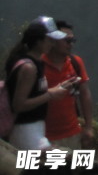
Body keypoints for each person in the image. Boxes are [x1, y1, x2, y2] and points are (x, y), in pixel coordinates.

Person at [3, 17, 75, 151]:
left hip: (36, 129)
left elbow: (34, 93)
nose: (53, 44)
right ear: (38, 41)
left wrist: (57, 89)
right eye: (49, 40)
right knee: (66, 162)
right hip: (25, 129)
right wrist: (50, 95)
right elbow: (18, 105)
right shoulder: (29, 67)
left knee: (62, 164)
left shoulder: (37, 63)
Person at [42, 20, 94, 152]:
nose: (70, 45)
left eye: (72, 41)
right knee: (49, 172)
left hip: (72, 133)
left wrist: (88, 127)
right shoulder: (37, 64)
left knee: (72, 172)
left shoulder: (76, 62)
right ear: (53, 40)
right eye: (67, 40)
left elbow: (85, 94)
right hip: (43, 136)